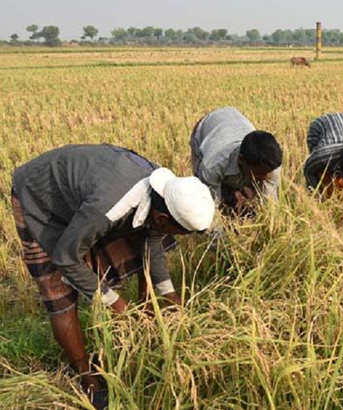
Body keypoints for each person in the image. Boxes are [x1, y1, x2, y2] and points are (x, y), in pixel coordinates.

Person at [11, 144, 215, 410]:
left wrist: (168, 292)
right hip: (40, 198)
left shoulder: (165, 192)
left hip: (83, 200)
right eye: (176, 232)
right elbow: (65, 257)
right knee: (60, 294)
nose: (172, 236)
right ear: (164, 218)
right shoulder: (109, 207)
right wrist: (115, 302)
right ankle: (87, 377)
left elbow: (151, 241)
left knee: (98, 258)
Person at [190, 107, 283, 216]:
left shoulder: (271, 165)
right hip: (208, 128)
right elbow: (211, 207)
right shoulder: (212, 165)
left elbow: (270, 205)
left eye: (267, 173)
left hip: (234, 122)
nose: (264, 177)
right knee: (205, 196)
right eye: (258, 174)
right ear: (241, 160)